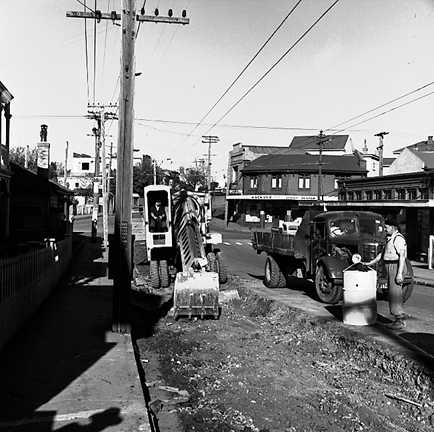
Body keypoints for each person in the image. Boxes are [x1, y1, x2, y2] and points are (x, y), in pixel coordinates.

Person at [365, 218, 407, 330]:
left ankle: (400, 319)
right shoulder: (390, 239)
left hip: (396, 266)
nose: (384, 229)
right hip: (390, 266)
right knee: (391, 292)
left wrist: (399, 273)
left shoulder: (398, 239)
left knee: (395, 293)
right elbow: (381, 254)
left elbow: (402, 257)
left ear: (392, 228)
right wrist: (370, 263)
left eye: (386, 227)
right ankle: (398, 318)